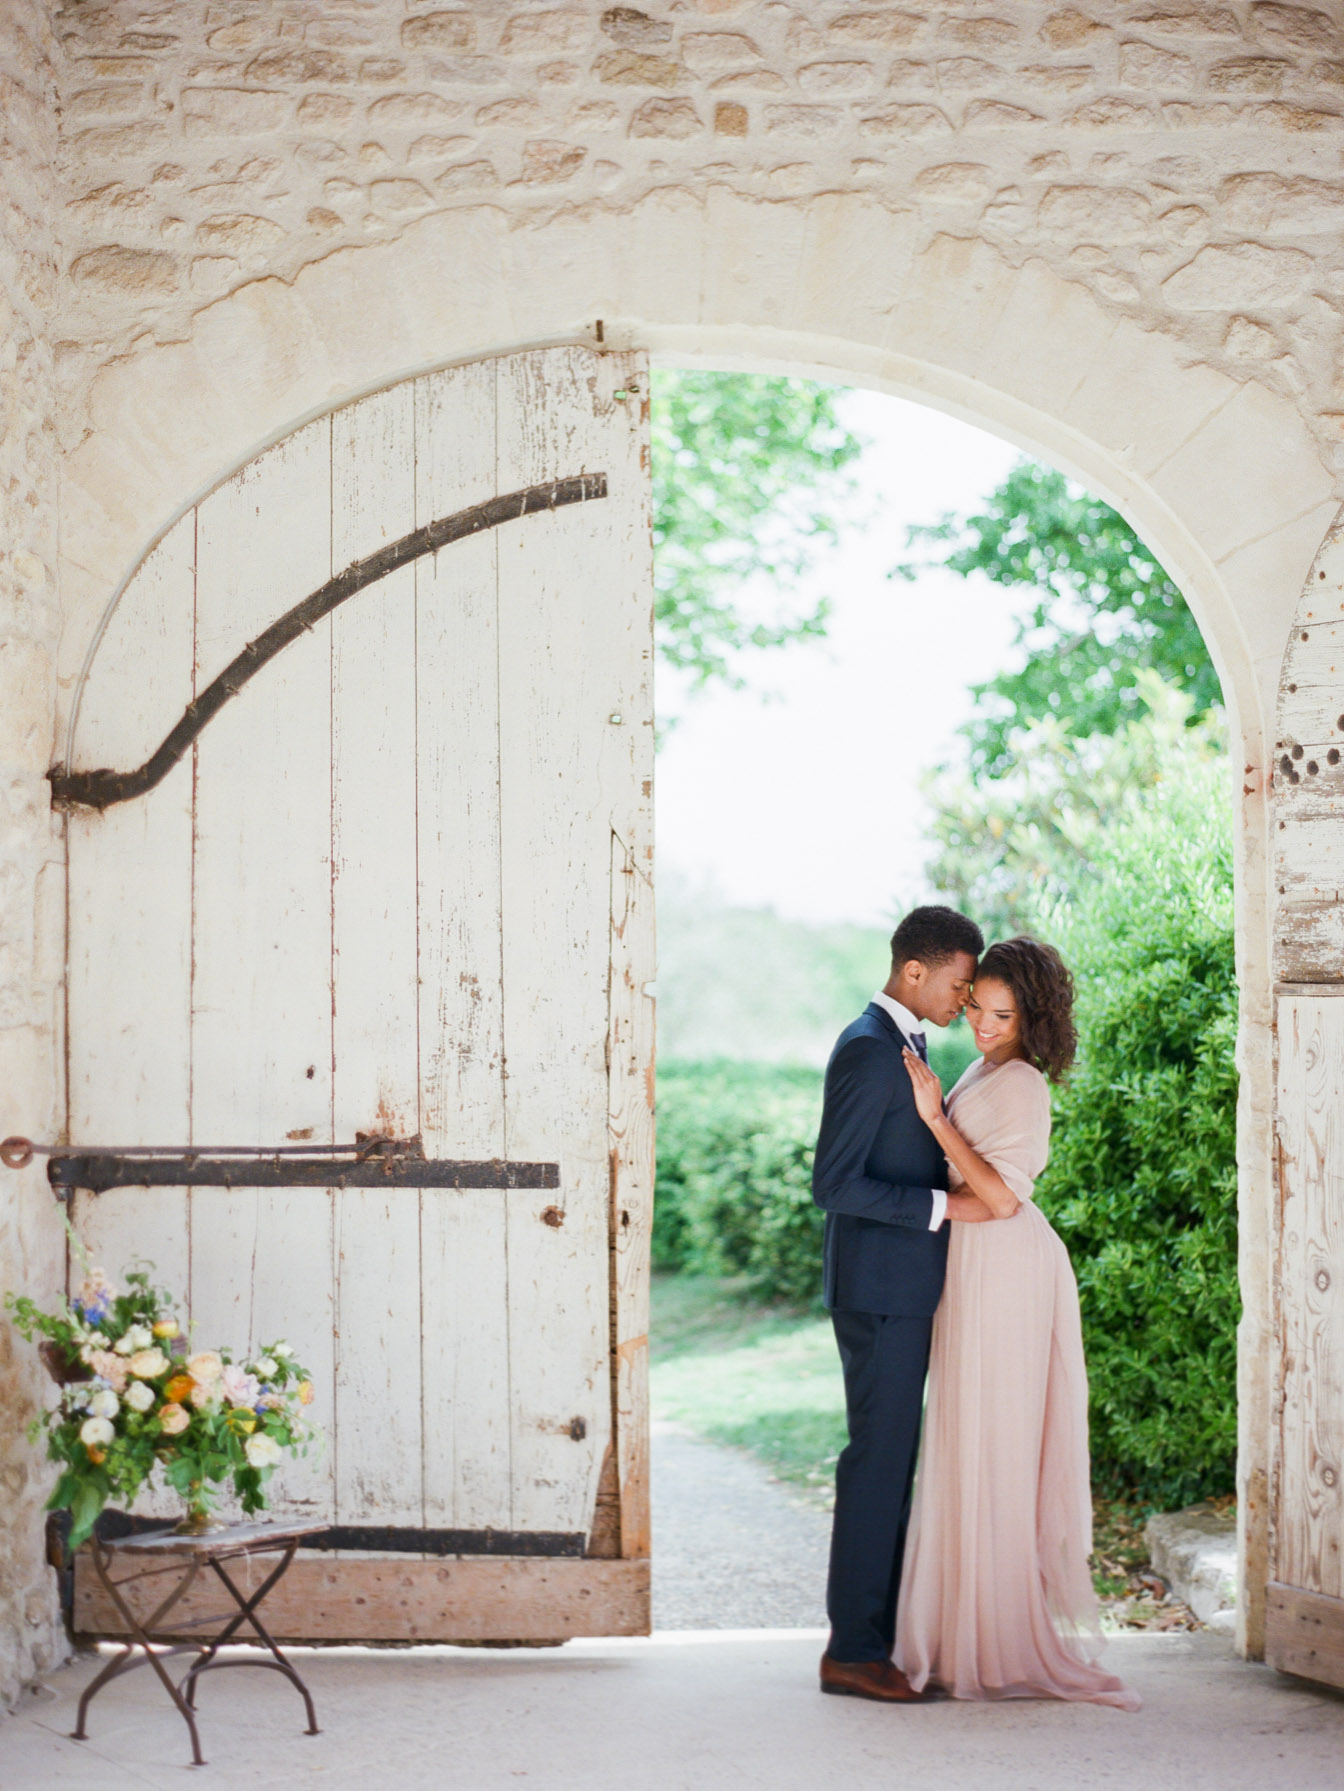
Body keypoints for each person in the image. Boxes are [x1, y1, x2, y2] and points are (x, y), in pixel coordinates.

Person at [894, 937, 1140, 1712]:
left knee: (992, 1444)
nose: (985, 1025)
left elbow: (1002, 1198)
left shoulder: (1024, 1082)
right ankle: (959, 1633)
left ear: (1033, 1018)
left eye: (1003, 1015)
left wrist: (934, 1120)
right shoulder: (985, 1067)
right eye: (978, 1008)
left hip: (1006, 1269)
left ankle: (995, 1642)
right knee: (967, 1439)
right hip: (974, 1264)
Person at [812, 903, 989, 1704]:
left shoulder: (903, 1044)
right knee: (878, 1463)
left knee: (891, 1461)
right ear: (914, 971)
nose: (963, 1000)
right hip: (880, 1291)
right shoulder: (868, 1048)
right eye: (957, 984)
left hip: (898, 1288)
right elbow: (834, 1182)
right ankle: (853, 1650)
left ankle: (876, 1640)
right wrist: (942, 1208)